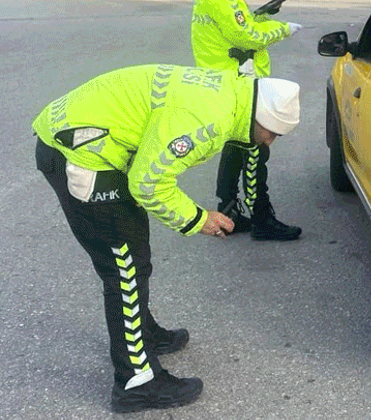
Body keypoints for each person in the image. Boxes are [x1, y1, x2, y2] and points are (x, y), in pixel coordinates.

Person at [32, 64, 300, 413]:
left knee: (134, 254)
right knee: (124, 267)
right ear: (259, 116)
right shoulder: (210, 120)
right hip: (80, 153)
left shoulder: (231, 91)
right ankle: (135, 382)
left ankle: (141, 334)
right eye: (272, 132)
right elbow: (147, 183)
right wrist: (198, 219)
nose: (270, 141)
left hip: (81, 135)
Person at [191, 0, 303, 241]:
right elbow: (247, 35)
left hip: (222, 81)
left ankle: (228, 213)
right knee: (256, 149)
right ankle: (262, 218)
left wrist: (260, 15)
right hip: (237, 83)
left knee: (234, 148)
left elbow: (239, 27)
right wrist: (282, 28)